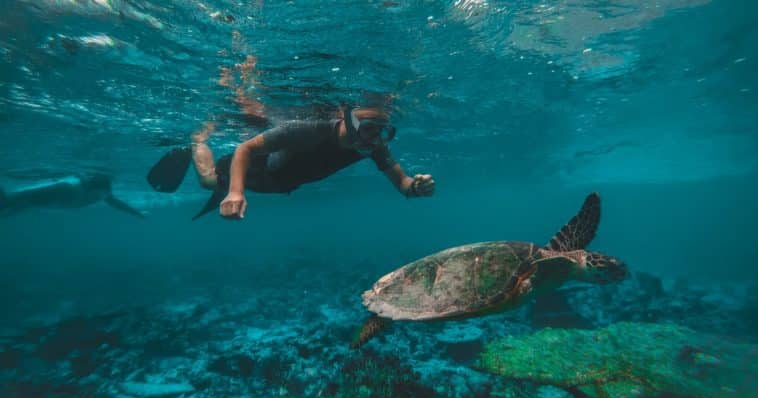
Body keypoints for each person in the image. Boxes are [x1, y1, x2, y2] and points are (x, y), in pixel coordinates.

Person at [148, 105, 436, 219]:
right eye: (369, 129)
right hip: (259, 168)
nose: (373, 140)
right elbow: (245, 148)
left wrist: (415, 187)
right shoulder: (307, 130)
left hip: (284, 182)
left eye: (382, 132)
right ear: (348, 121)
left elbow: (402, 182)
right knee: (208, 181)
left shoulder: (373, 145)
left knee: (214, 185)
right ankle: (197, 141)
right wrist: (236, 191)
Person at [1, 173, 145, 218]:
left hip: (23, 201)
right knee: (7, 202)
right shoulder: (67, 190)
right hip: (17, 199)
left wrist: (136, 213)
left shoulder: (102, 193)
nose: (104, 196)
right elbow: (29, 200)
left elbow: (115, 202)